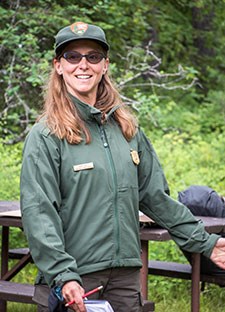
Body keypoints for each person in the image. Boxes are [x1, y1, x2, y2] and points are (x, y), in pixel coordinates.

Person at [20, 21, 225, 312]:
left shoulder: (127, 130)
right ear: (58, 66)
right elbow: (39, 213)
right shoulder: (46, 135)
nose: (83, 65)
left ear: (105, 65)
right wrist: (63, 274)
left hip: (126, 278)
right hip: (77, 280)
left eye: (92, 57)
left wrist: (206, 242)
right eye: (72, 57)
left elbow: (155, 198)